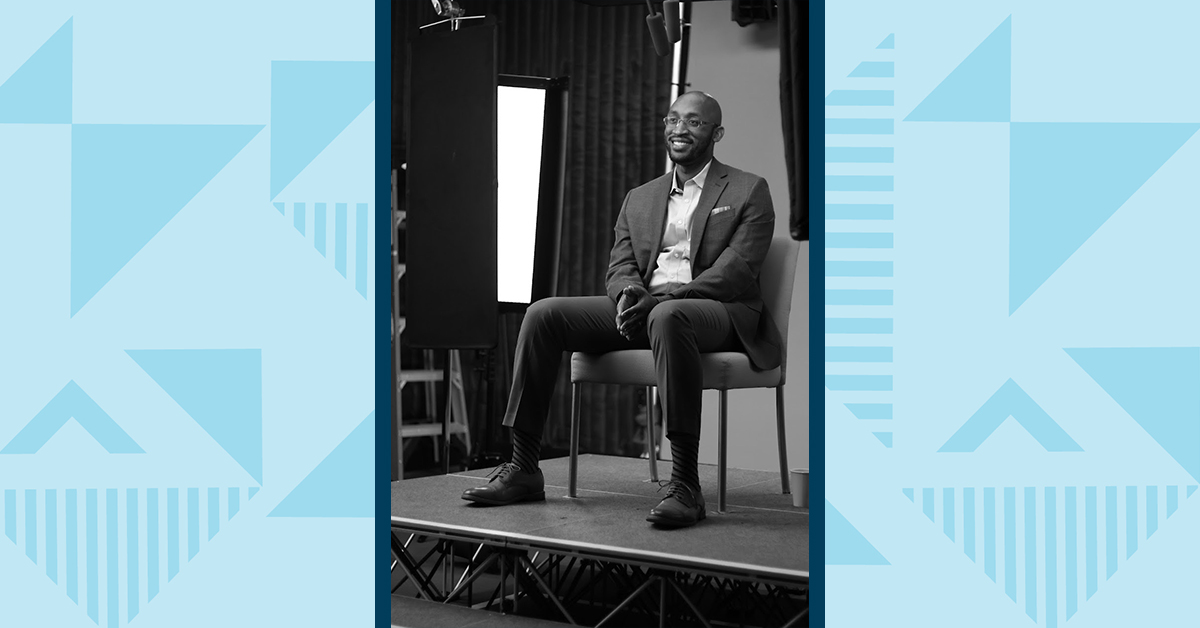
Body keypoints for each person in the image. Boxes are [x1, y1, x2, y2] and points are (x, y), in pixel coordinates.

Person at [462, 91, 780, 528]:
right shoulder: (640, 197)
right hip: (647, 309)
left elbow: (737, 271)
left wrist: (662, 301)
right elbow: (621, 263)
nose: (679, 129)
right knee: (544, 314)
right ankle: (523, 466)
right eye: (672, 120)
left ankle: (686, 483)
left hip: (715, 312)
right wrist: (630, 293)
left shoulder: (748, 189)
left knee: (670, 317)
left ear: (717, 133)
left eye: (694, 122)